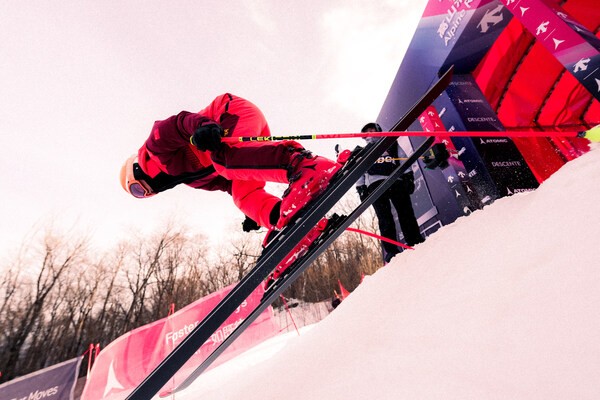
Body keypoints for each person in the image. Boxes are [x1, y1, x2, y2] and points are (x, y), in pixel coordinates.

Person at [120, 93, 341, 281]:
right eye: (142, 196)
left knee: (224, 160)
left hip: (230, 114)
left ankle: (304, 166)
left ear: (136, 170)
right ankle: (286, 221)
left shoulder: (155, 148)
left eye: (138, 189)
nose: (147, 193)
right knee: (241, 195)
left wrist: (203, 126)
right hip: (237, 148)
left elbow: (179, 123)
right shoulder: (190, 180)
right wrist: (252, 214)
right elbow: (229, 183)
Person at [356, 122, 424, 263]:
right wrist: (361, 188)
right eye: (367, 132)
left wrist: (408, 176)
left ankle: (414, 240)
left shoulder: (390, 144)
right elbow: (359, 171)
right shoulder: (363, 151)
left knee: (405, 211)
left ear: (378, 130)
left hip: (395, 180)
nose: (370, 133)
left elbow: (403, 159)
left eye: (372, 130)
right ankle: (391, 250)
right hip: (375, 185)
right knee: (384, 217)